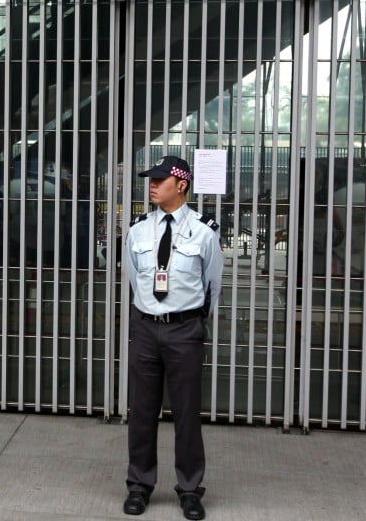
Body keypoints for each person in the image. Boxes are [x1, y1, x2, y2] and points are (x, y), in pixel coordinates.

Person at [122, 155, 222, 520]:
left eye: (160, 179)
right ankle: (139, 485)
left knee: (186, 413)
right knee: (142, 412)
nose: (152, 184)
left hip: (185, 330)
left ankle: (190, 489)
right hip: (147, 327)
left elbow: (212, 287)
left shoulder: (204, 231)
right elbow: (134, 279)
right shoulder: (138, 229)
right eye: (151, 179)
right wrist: (149, 313)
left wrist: (192, 322)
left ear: (181, 185)